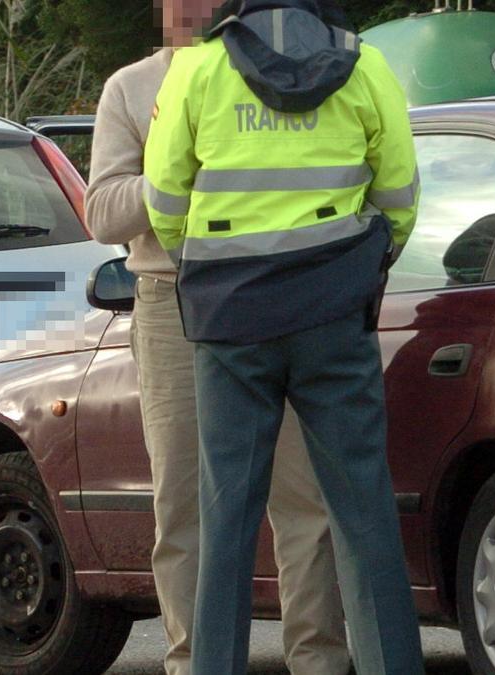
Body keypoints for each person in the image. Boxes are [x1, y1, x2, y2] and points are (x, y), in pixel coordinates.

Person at [142, 0, 424, 672]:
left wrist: (208, 270)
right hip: (333, 315)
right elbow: (402, 196)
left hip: (231, 324)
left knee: (226, 520)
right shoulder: (365, 64)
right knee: (363, 511)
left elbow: (164, 202)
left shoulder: (198, 69)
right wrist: (362, 265)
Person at [84, 1, 348, 673]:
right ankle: (195, 660)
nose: (192, 9)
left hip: (278, 290)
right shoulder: (131, 87)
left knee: (304, 494)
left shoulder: (280, 75)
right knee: (185, 498)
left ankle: (319, 657)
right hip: (172, 301)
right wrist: (180, 171)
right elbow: (103, 210)